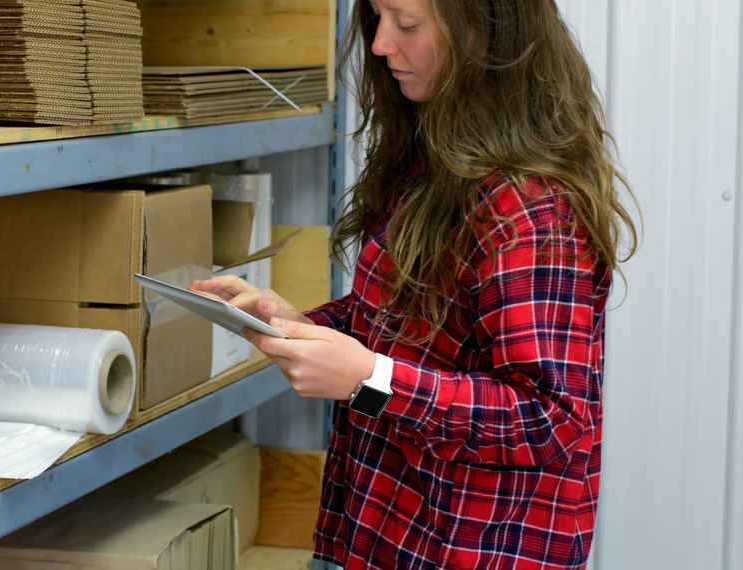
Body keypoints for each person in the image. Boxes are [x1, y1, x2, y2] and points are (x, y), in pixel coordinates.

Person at [191, 0, 638, 568]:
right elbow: (415, 324)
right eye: (378, 18)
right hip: (385, 533)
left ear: (483, 33)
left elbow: (551, 417)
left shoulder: (530, 211)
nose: (379, 45)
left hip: (468, 548)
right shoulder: (440, 158)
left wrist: (369, 379)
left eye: (406, 23)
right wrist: (304, 326)